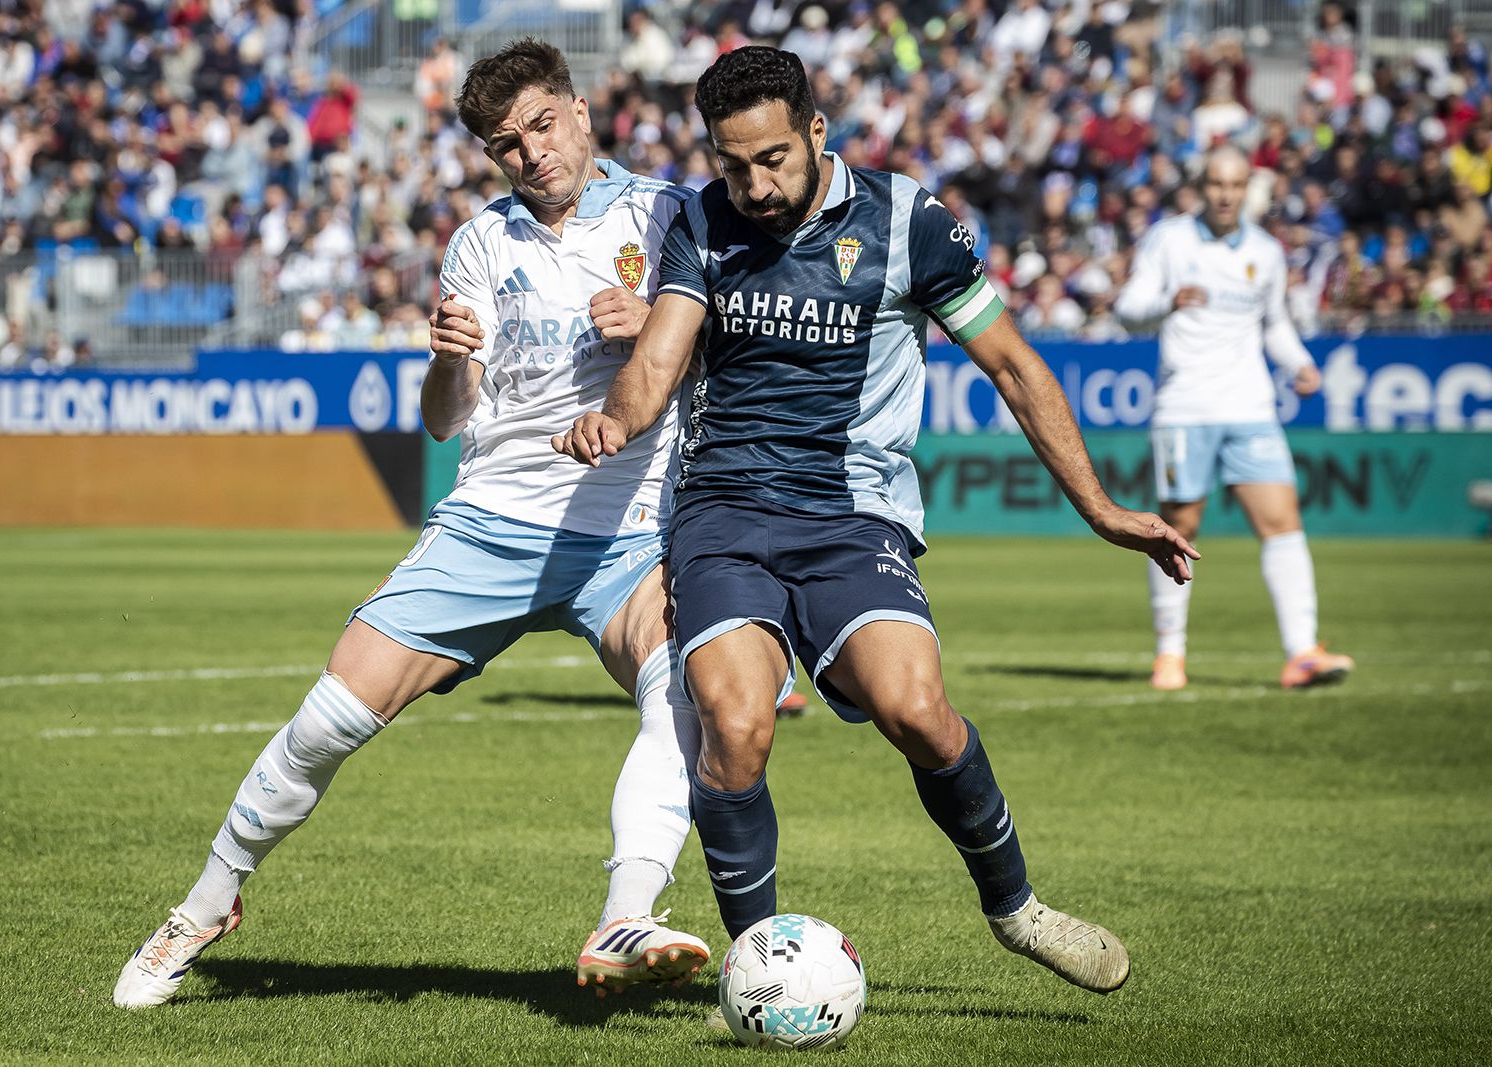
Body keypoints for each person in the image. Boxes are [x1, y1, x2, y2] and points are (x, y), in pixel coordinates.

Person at [555, 47, 1199, 996]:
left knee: (919, 713)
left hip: (853, 516)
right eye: (734, 164)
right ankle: (759, 963)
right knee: (733, 725)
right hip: (723, 513)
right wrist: (617, 414)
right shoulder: (701, 217)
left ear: (817, 132)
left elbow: (1015, 367)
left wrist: (1100, 510)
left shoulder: (908, 221)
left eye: (772, 158)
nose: (755, 184)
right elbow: (659, 357)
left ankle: (1017, 910)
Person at [113, 39, 712, 1010]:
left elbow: (726, 346)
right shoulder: (480, 242)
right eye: (506, 144)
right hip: (492, 519)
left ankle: (625, 912)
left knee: (684, 684)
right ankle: (205, 904)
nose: (531, 154)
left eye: (542, 126)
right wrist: (445, 358)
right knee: (326, 722)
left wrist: (655, 323)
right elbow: (444, 417)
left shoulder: (669, 213)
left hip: (629, 526)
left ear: (582, 112)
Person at [1113, 145, 1355, 691]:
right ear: (1202, 186)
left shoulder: (1267, 252)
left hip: (1250, 408)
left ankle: (1302, 653)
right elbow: (1128, 310)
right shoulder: (1169, 239)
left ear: (1248, 189)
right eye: (1216, 184)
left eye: (1235, 185)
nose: (1225, 194)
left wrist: (1300, 363)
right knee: (1180, 530)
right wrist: (1168, 302)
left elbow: (1275, 325)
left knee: (1283, 522)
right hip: (1184, 409)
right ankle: (1169, 655)